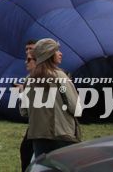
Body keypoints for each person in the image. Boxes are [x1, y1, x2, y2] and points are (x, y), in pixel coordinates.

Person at [21, 38, 81, 159]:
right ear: (48, 54)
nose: (60, 53)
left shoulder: (28, 79)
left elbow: (24, 111)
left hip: (38, 138)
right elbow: (75, 108)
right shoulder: (60, 76)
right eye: (57, 50)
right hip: (62, 135)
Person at [17, 40, 37, 172]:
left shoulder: (56, 75)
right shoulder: (29, 77)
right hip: (37, 124)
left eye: (31, 48)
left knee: (28, 151)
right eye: (26, 49)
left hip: (45, 126)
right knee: (26, 151)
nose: (28, 52)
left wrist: (23, 93)